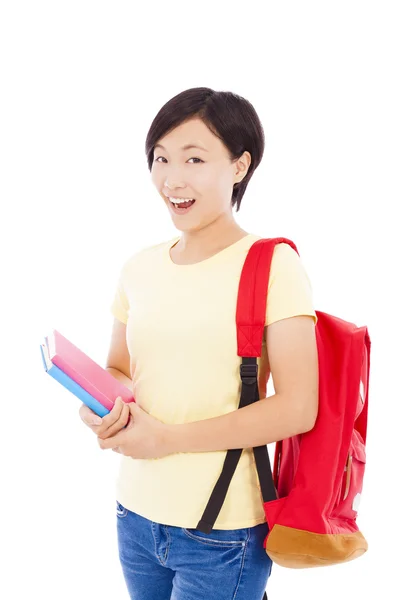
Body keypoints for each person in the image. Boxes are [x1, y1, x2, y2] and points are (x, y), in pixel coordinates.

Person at [79, 87, 319, 600]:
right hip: (135, 515)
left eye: (194, 158)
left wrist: (166, 438)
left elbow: (299, 407)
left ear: (239, 166)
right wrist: (100, 406)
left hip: (221, 528)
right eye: (161, 158)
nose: (173, 178)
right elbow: (120, 369)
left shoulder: (274, 266)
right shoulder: (138, 267)